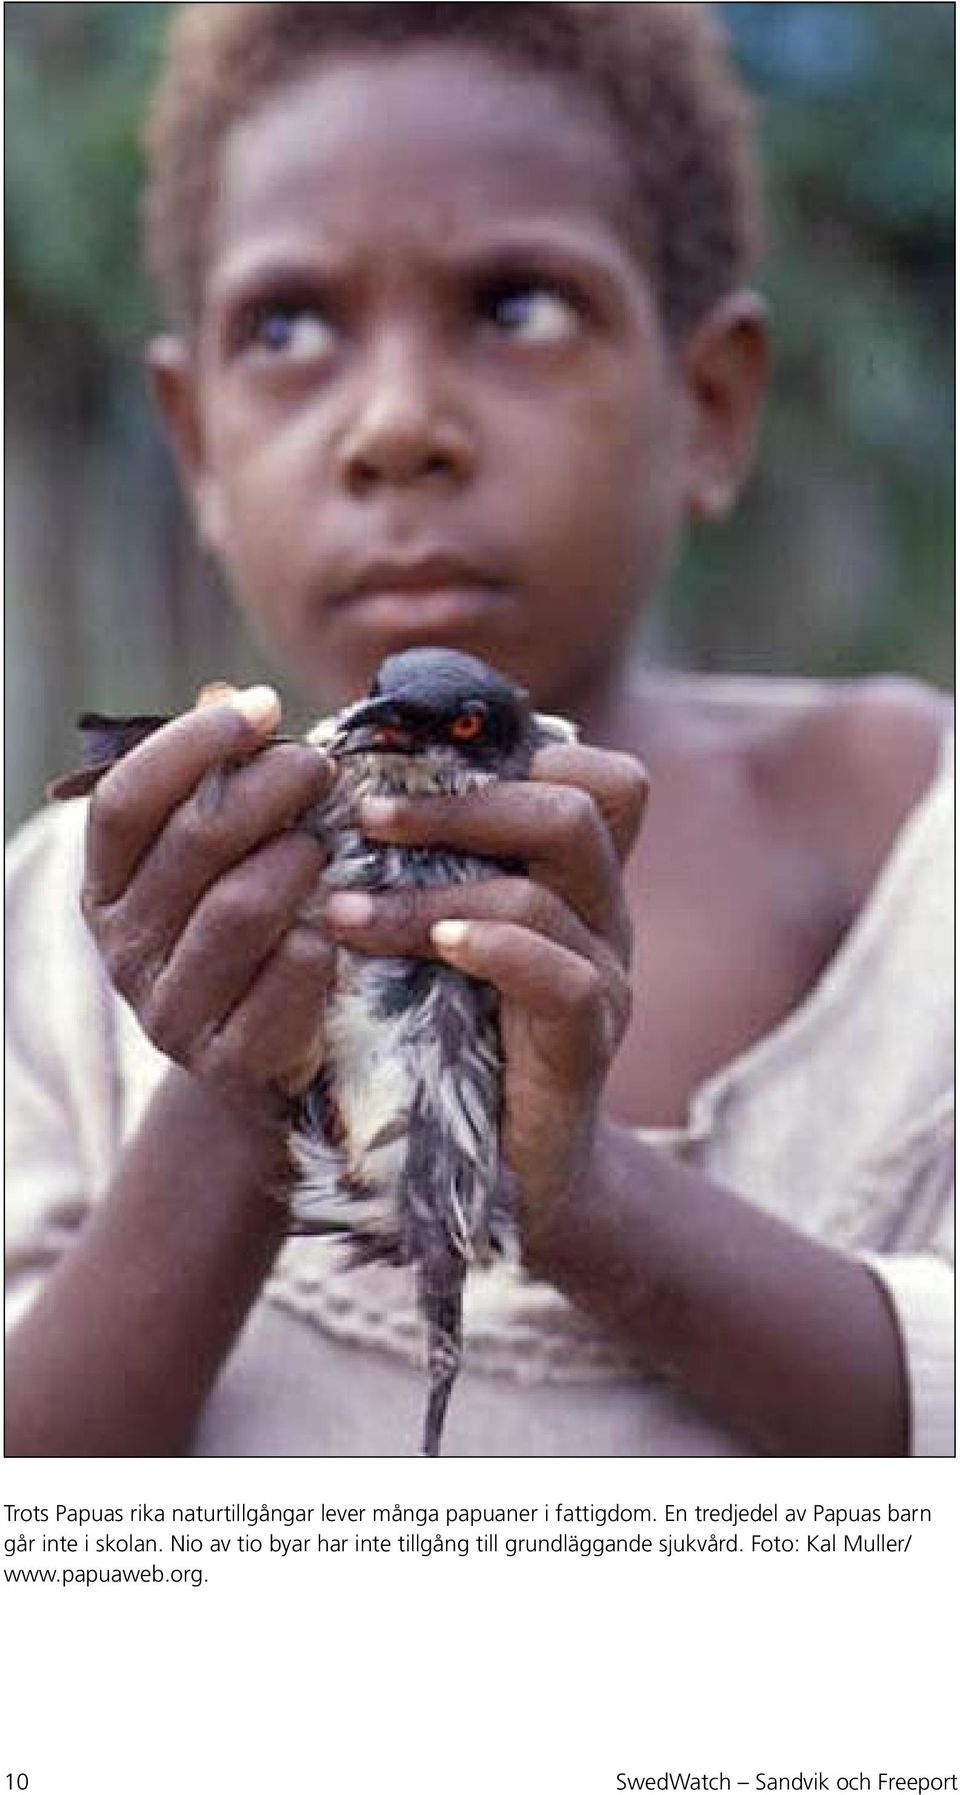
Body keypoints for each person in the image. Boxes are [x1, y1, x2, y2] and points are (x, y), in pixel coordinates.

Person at [5, 2, 952, 1458]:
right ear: (195, 443)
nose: (394, 424)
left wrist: (572, 1190)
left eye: (516, 306)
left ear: (707, 404)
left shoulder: (910, 842)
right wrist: (237, 1085)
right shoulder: (82, 911)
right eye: (290, 325)